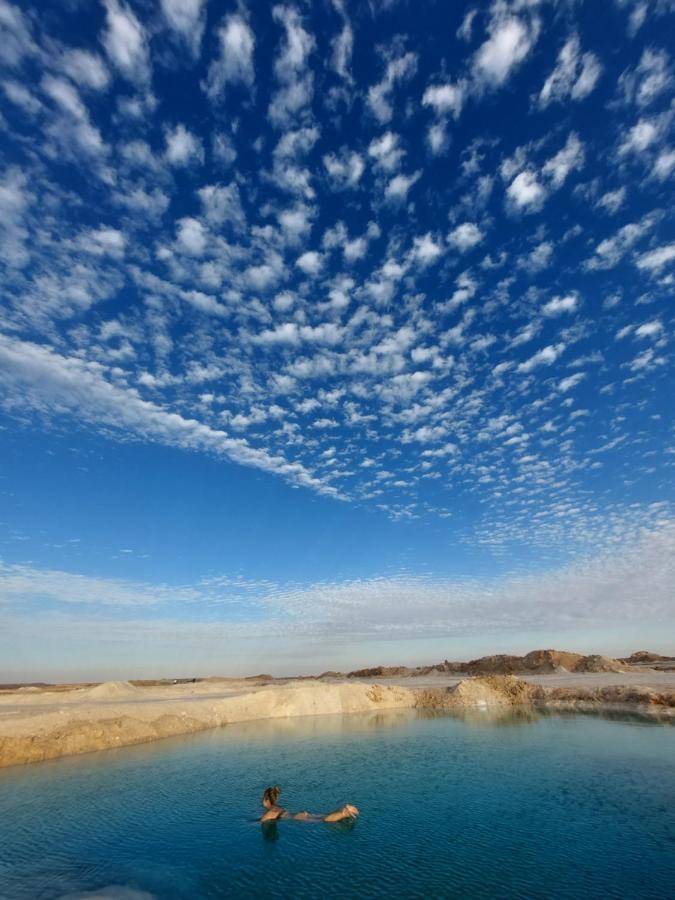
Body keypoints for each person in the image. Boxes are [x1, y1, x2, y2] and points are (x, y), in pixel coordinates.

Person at [260, 785, 359, 823]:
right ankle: (342, 811)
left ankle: (344, 813)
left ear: (265, 800)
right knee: (323, 817)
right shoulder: (277, 807)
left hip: (298, 817)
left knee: (324, 820)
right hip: (299, 814)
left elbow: (260, 822)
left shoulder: (270, 812)